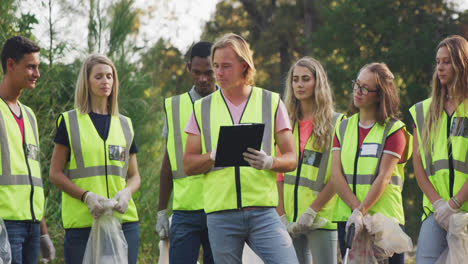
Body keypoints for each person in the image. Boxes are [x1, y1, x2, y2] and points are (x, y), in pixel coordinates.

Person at [183, 33, 299, 264]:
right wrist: (212, 156)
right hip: (220, 215)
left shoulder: (271, 101)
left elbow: (292, 158)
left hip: (264, 212)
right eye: (216, 66)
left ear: (244, 66)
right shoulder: (201, 108)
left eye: (226, 66)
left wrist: (270, 162)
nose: (219, 73)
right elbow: (188, 164)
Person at [49, 54, 141, 264]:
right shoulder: (70, 121)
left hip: (124, 222)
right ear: (87, 82)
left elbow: (135, 175)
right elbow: (55, 174)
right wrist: (86, 196)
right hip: (84, 223)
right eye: (98, 76)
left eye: (110, 76)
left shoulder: (125, 124)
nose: (105, 81)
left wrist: (127, 192)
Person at [331, 63, 411, 264]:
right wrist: (356, 212)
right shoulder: (342, 128)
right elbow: (335, 175)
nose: (357, 91)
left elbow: (384, 177)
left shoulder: (394, 131)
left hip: (385, 225)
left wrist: (361, 211)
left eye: (365, 88)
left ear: (380, 95)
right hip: (349, 222)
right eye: (356, 84)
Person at [276, 57, 344, 264]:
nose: (299, 84)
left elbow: (337, 177)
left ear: (318, 83)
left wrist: (312, 210)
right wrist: (281, 216)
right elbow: (278, 174)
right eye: (295, 80)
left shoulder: (337, 123)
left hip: (321, 217)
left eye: (305, 79)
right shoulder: (285, 123)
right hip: (290, 221)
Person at [156, 41, 216, 264]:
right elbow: (167, 163)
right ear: (189, 68)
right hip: (185, 211)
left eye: (209, 72)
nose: (203, 79)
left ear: (217, 69)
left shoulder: (228, 104)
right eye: (197, 72)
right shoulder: (174, 106)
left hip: (219, 208)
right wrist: (162, 211)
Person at [410, 35, 468, 263]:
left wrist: (455, 204)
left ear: (462, 64)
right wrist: (439, 205)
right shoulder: (422, 111)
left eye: (447, 61)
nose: (440, 67)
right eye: (437, 62)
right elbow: (418, 164)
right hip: (435, 212)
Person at [0, 36, 55, 264]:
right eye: (31, 66)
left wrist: (43, 231)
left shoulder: (29, 116)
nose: (37, 74)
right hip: (6, 224)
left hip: (32, 227)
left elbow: (33, 180)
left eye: (38, 67)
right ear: (11, 64)